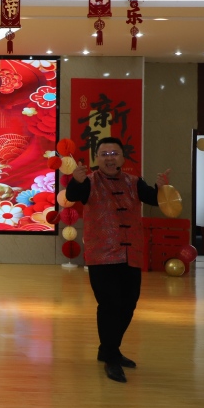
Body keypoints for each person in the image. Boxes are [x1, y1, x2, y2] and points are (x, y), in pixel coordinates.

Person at [64, 136, 169, 383]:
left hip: (130, 254)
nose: (109, 158)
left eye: (114, 154)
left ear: (122, 157)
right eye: (104, 154)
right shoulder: (89, 182)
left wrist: (161, 188)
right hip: (101, 255)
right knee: (109, 306)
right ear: (97, 158)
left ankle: (108, 349)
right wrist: (76, 180)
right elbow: (74, 193)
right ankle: (111, 357)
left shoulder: (134, 182)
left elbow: (154, 199)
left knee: (129, 304)